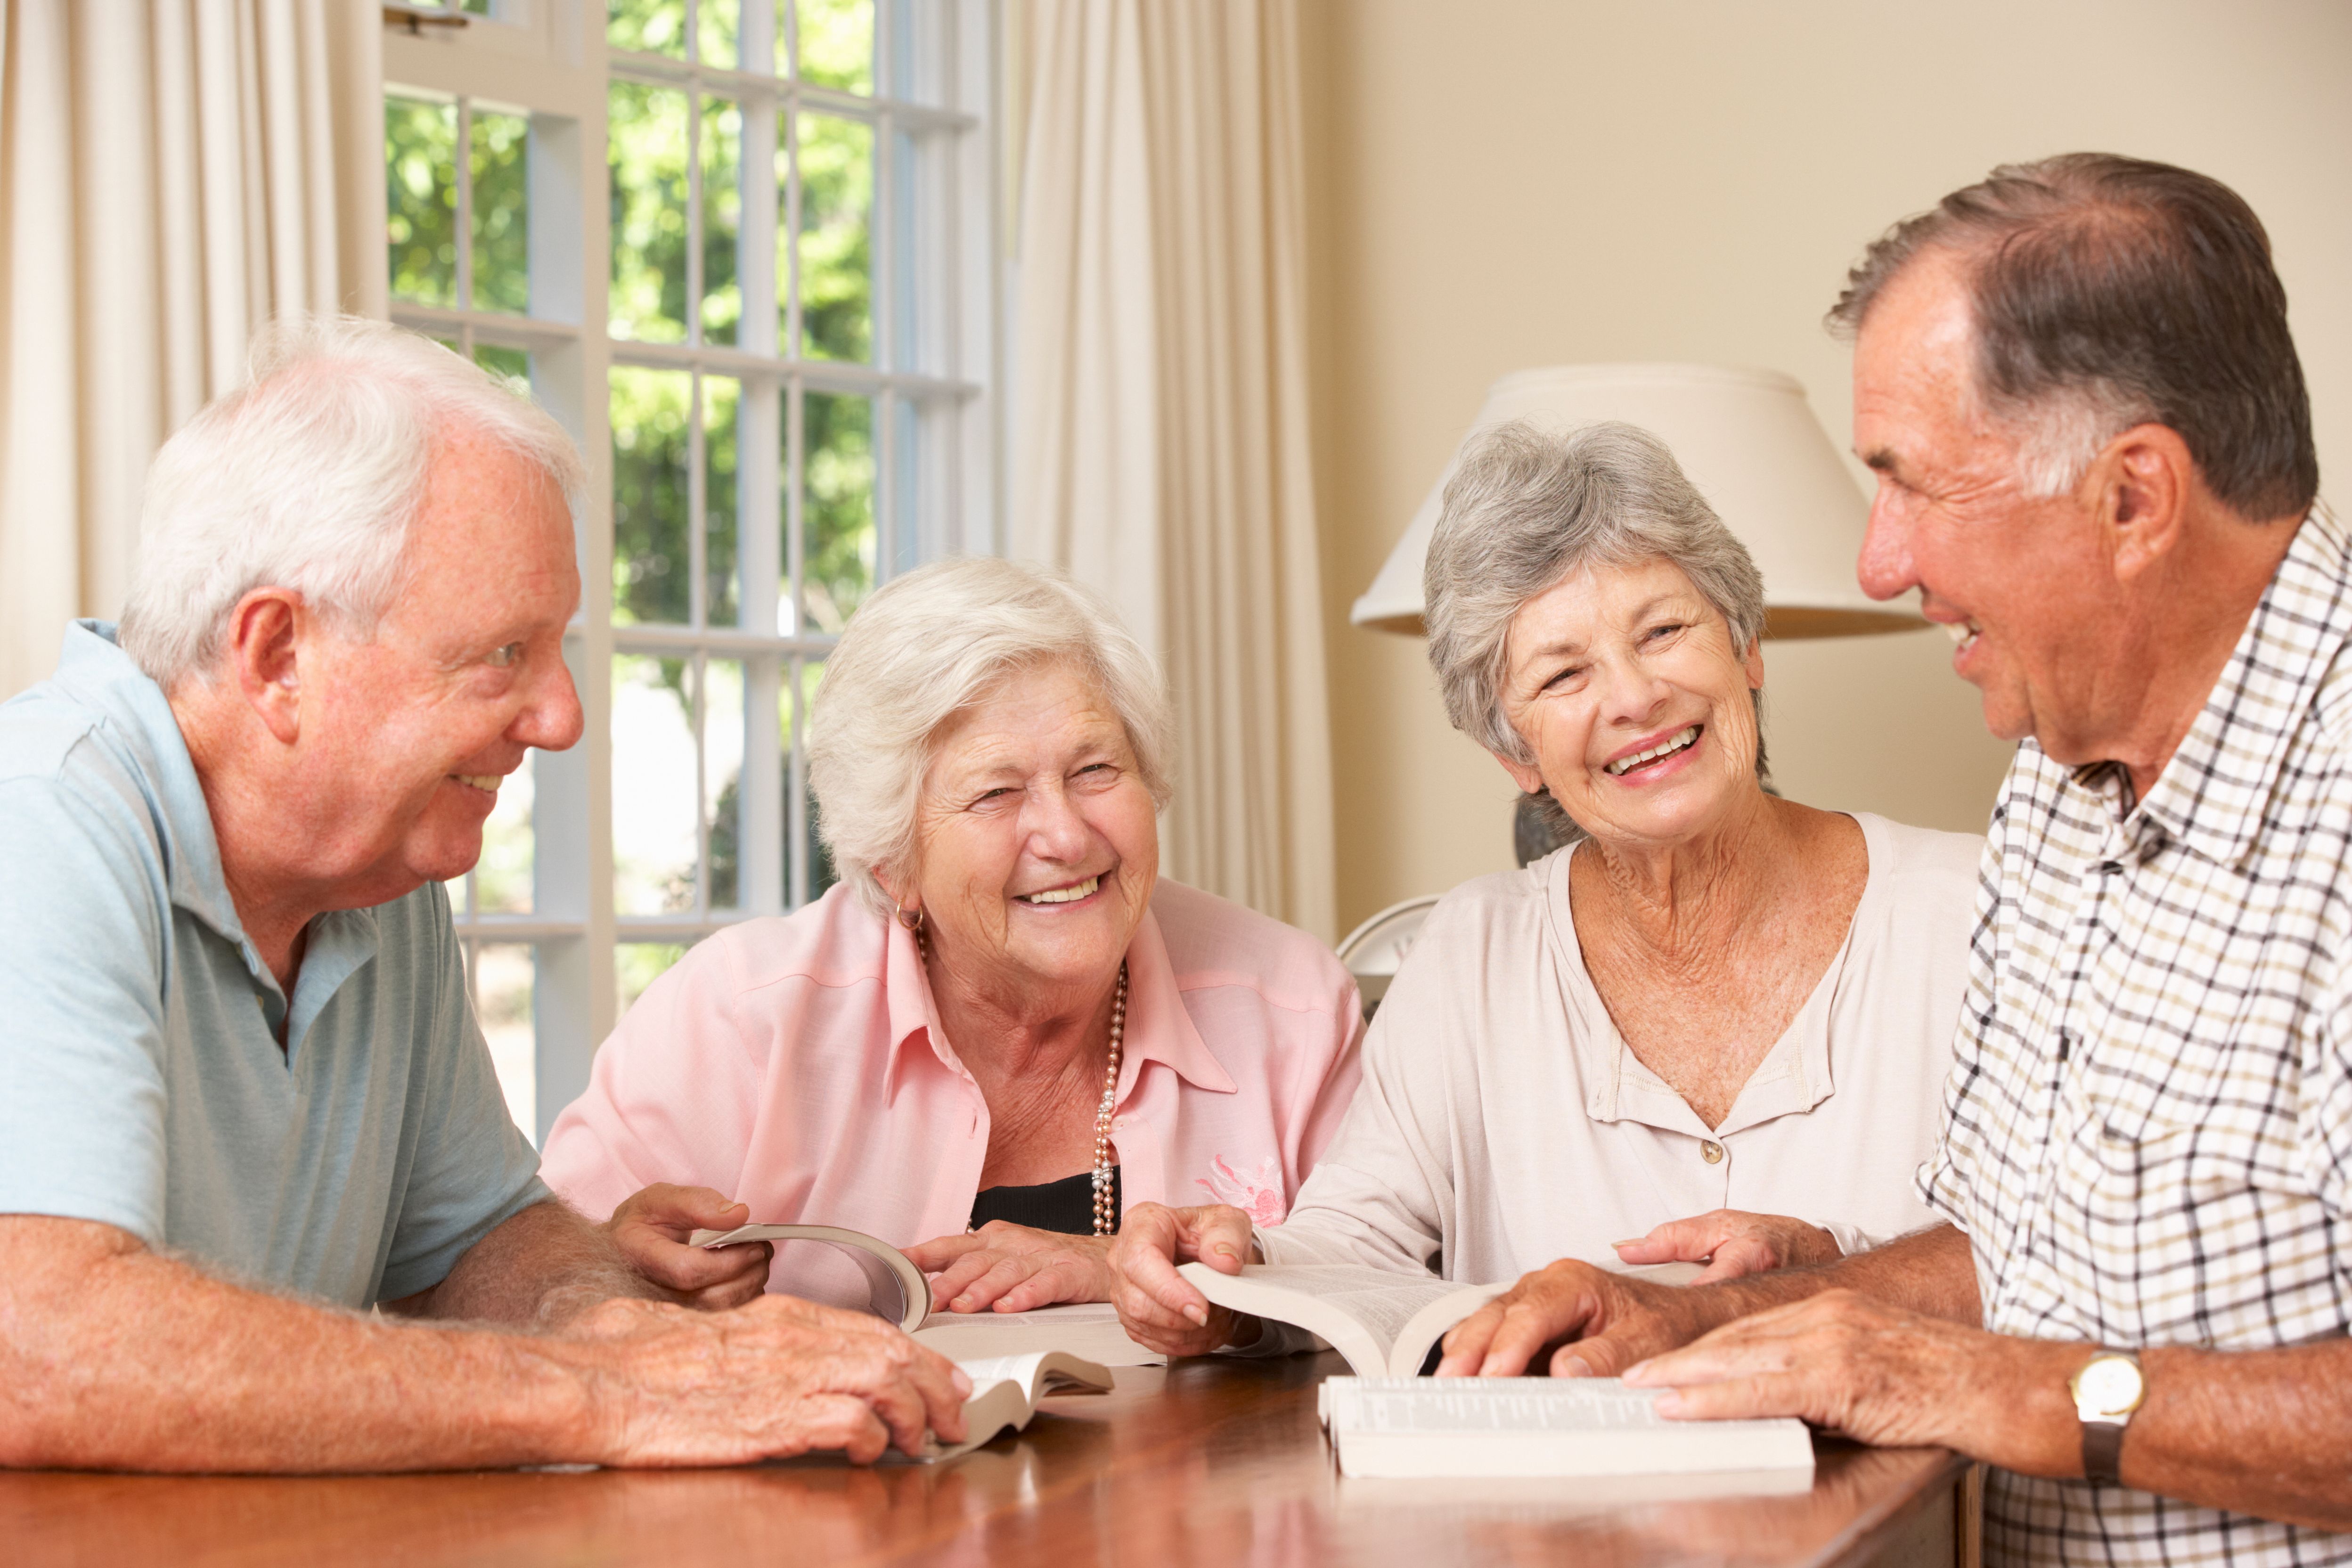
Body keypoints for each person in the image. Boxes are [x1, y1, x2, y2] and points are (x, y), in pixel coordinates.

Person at [1433, 155, 2352, 1563]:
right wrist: (1713, 1317)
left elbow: (1994, 1367)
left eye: (1912, 483)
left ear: (2134, 497)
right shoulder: (2057, 778)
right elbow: (2008, 1249)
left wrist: (1996, 1390)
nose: (1880, 561)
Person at [0, 317, 968, 1472]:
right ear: (278, 657)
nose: (561, 717)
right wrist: (608, 1390)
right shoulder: (38, 824)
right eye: (505, 654)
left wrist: (619, 1329)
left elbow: (477, 1240)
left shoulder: (377, 866)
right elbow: (39, 1344)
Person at [1104, 419, 1983, 1358]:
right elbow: (1355, 1244)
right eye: (1564, 674)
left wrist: (1824, 1271)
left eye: (1664, 631)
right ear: (1513, 753)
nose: (1634, 697)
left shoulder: (1976, 910)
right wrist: (1227, 1276)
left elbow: (2060, 1246)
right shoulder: (1472, 953)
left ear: (1747, 649)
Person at [537, 556, 1364, 1317]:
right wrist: (619, 1275)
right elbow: (536, 1288)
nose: (1065, 835)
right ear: (894, 863)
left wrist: (1118, 1266)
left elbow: (1386, 1288)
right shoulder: (739, 1020)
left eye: (1096, 770)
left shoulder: (1290, 1008)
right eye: (996, 793)